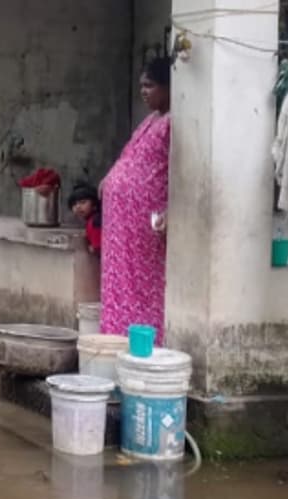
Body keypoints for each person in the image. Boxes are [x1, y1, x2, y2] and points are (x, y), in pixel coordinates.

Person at [99, 56, 172, 340]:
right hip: (121, 227)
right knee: (119, 280)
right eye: (141, 85)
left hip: (144, 223)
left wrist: (169, 211)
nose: (143, 91)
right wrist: (110, 179)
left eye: (150, 85)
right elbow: (130, 156)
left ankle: (143, 339)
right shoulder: (151, 120)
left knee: (142, 283)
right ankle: (115, 336)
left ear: (168, 87)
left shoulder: (173, 123)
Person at [68, 182, 103, 255]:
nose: (78, 207)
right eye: (74, 204)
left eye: (82, 202)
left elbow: (98, 249)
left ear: (94, 205)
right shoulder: (90, 221)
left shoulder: (96, 221)